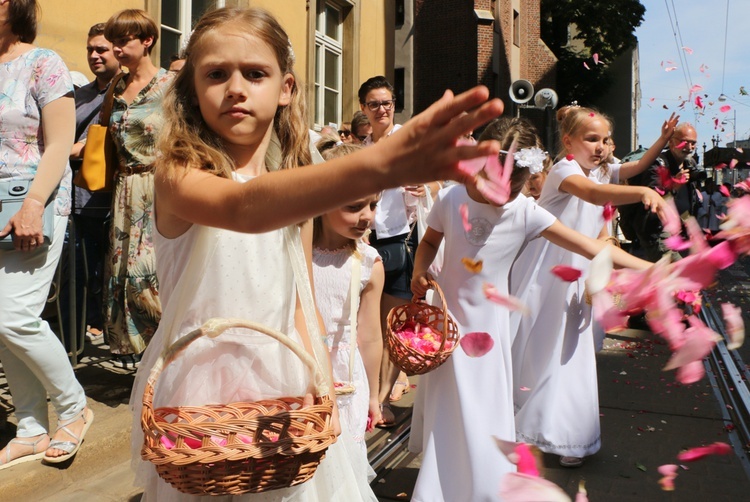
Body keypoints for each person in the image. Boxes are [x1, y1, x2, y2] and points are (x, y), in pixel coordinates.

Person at [126, 6, 503, 500]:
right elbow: (244, 207)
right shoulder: (177, 174)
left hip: (285, 381)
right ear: (193, 91)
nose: (235, 87)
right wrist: (377, 164)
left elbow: (301, 291)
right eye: (216, 74)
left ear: (286, 88)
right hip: (201, 394)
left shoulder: (296, 191)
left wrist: (319, 373)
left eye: (255, 73)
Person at [408, 117, 651, 501]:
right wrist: (420, 272)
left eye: (514, 185)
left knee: (483, 408)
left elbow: (591, 247)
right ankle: (443, 486)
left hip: (490, 330)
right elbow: (428, 242)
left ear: (528, 180)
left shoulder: (526, 212)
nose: (502, 193)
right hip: (448, 322)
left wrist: (651, 269)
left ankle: (485, 486)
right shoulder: (450, 199)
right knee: (450, 405)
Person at [510, 105, 670, 468]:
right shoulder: (564, 171)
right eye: (591, 139)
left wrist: (661, 140)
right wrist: (644, 192)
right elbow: (595, 196)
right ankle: (527, 425)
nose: (600, 146)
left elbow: (634, 168)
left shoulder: (600, 172)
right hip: (546, 273)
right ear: (568, 141)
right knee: (538, 349)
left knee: (571, 354)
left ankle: (567, 436)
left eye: (605, 140)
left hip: (579, 272)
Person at [0, 0, 93, 469]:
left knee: (10, 315)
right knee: (3, 324)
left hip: (33, 204)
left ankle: (75, 410)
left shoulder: (42, 63)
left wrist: (34, 203)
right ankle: (32, 425)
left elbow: (60, 141)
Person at [102, 9, 172, 367]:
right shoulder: (116, 86)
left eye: (123, 40)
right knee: (124, 273)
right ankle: (142, 358)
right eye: (113, 40)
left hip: (159, 187)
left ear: (147, 41)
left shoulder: (170, 86)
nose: (116, 48)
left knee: (153, 271)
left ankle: (169, 352)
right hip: (124, 189)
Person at [312, 143, 384, 458]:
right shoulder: (295, 254)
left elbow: (369, 335)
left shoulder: (368, 263)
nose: (366, 216)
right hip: (303, 376)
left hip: (347, 380)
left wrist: (374, 395)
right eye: (354, 206)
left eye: (373, 205)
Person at [61, 22, 120, 344]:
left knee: (110, 275)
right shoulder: (77, 95)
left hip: (114, 196)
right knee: (78, 273)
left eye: (102, 50)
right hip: (77, 196)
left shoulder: (125, 91)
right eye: (90, 50)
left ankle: (113, 338)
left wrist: (82, 147)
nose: (94, 56)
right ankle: (74, 343)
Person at [620, 122, 703, 262]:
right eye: (684, 142)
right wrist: (673, 187)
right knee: (677, 276)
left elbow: (688, 201)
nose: (689, 147)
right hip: (658, 232)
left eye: (693, 143)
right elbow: (651, 199)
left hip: (682, 234)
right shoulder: (657, 164)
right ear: (671, 142)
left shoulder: (690, 165)